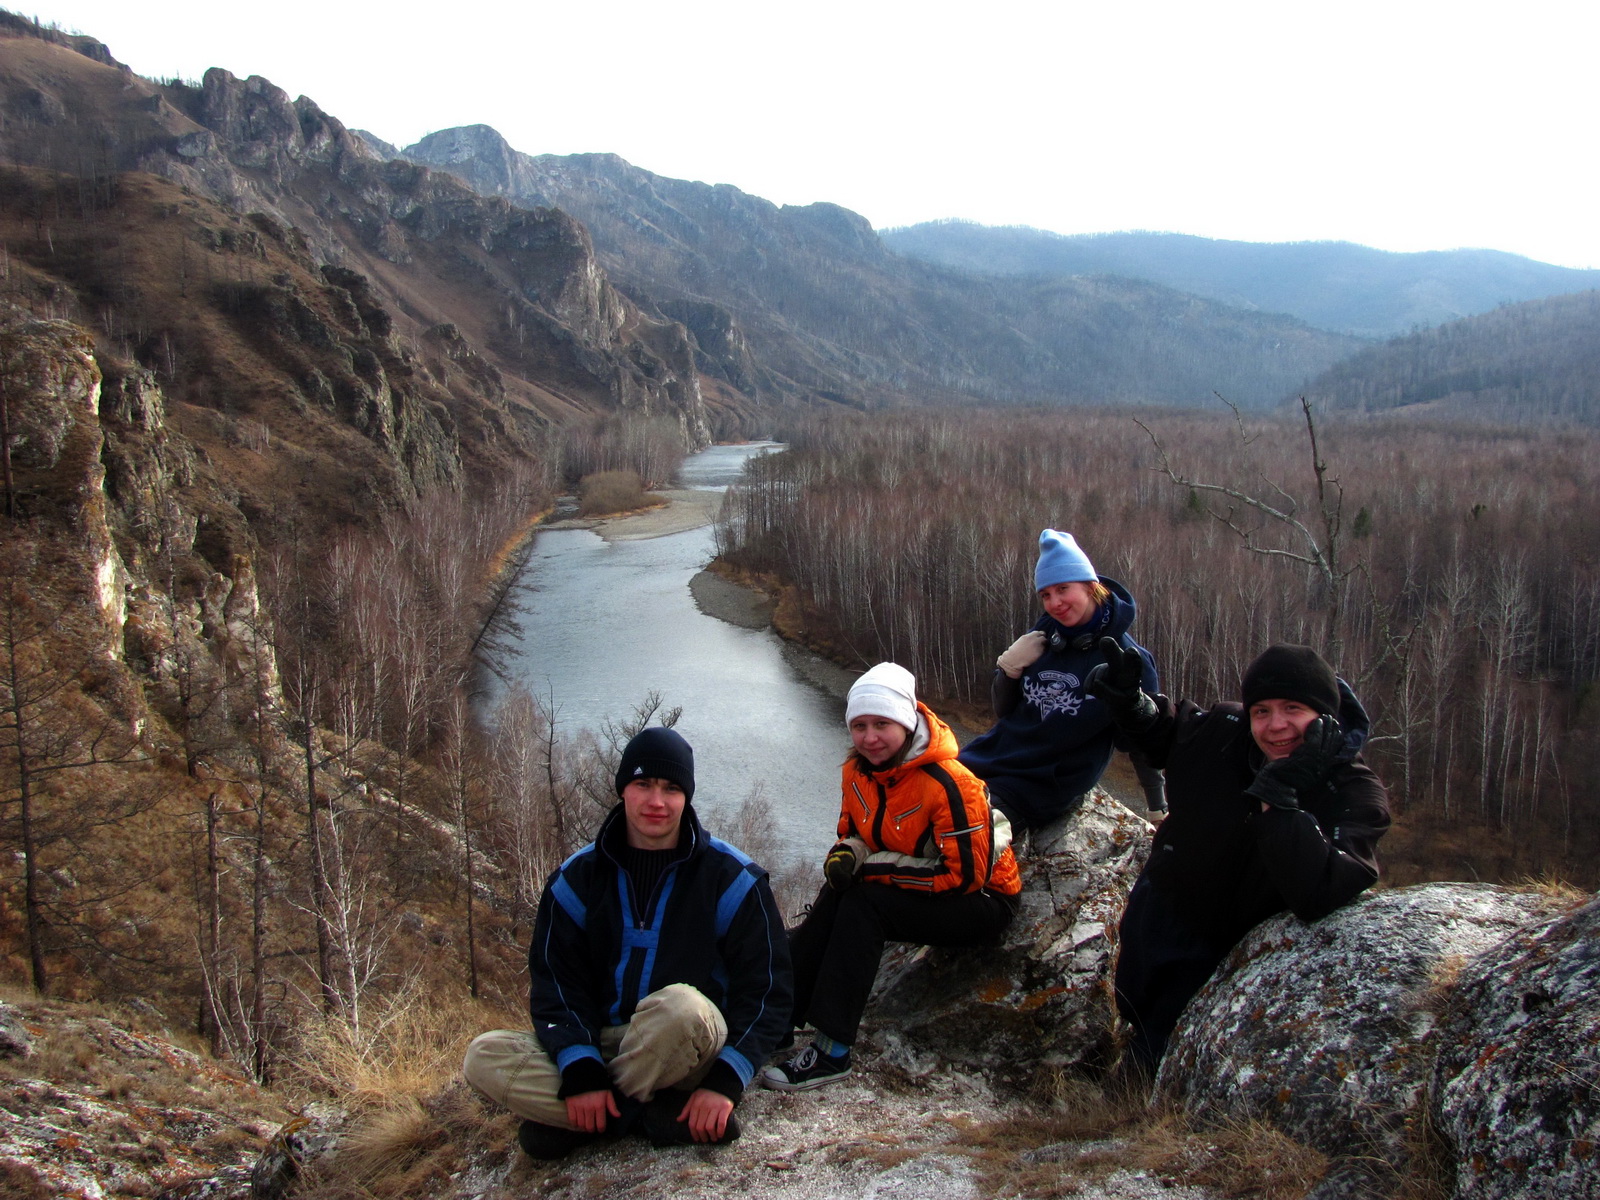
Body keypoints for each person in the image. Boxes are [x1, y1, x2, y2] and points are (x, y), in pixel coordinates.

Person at [463, 727, 792, 1158]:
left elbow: (768, 990)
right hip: (607, 1042)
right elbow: (557, 983)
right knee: (483, 1056)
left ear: (687, 797)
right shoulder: (576, 879)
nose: (657, 801)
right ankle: (643, 1116)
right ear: (623, 790)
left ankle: (585, 1118)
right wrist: (580, 1067)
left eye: (672, 788)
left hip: (690, 1046)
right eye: (643, 784)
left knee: (682, 1007)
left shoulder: (732, 879)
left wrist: (725, 1083)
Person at [1087, 641, 1391, 1073]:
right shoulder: (1227, 730)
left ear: (1325, 715)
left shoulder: (1353, 793)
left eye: (1293, 709)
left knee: (1165, 1072)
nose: (1275, 726)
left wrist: (1279, 795)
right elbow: (1167, 735)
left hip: (1227, 961)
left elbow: (1321, 889)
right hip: (1163, 922)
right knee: (1138, 1031)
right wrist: (1131, 704)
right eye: (1261, 710)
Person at [762, 663, 1022, 1091]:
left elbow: (965, 877)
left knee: (865, 902)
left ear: (906, 722)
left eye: (882, 723)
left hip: (984, 900)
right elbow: (853, 835)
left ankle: (833, 1050)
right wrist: (848, 857)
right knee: (840, 890)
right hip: (929, 882)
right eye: (859, 726)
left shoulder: (950, 783)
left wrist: (873, 869)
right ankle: (779, 1017)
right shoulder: (856, 773)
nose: (869, 737)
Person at [958, 529, 1164, 832]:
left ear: (1091, 586)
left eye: (1063, 589)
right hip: (989, 758)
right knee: (912, 798)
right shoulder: (1042, 639)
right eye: (1046, 595)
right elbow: (1004, 711)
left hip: (1043, 785)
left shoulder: (1128, 659)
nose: (1055, 603)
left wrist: (1158, 807)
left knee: (955, 828)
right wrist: (1009, 669)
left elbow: (1142, 739)